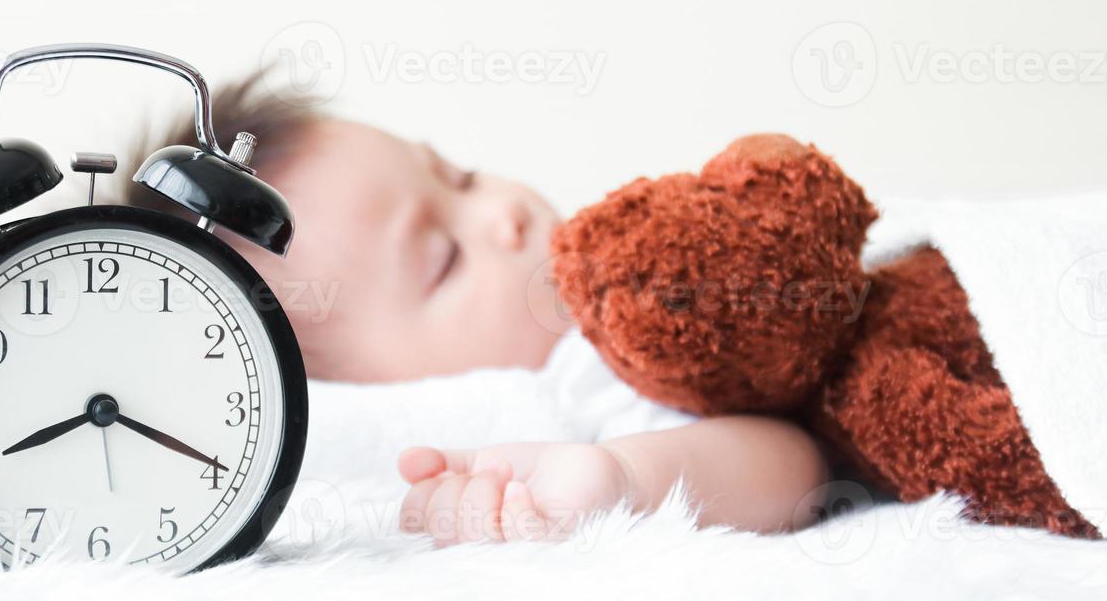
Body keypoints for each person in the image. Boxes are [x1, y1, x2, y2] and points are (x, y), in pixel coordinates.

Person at [121, 75, 829, 545]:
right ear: (379, 399)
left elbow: (806, 460)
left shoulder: (616, 310)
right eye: (444, 259)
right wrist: (619, 477)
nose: (503, 213)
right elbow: (788, 466)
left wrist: (628, 478)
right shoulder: (576, 376)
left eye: (458, 177)